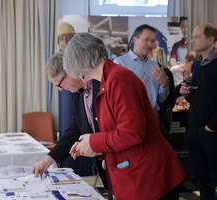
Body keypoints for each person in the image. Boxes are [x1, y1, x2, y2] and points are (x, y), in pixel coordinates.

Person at [65, 32, 186, 200]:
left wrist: (94, 141)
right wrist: (95, 148)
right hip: (137, 176)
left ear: (79, 62)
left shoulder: (119, 79)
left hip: (150, 179)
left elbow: (131, 133)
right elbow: (117, 131)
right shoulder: (108, 81)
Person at [32, 53, 112, 199]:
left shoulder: (101, 84)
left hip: (120, 158)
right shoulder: (77, 93)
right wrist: (48, 160)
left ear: (69, 72)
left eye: (59, 84)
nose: (60, 90)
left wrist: (110, 154)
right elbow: (75, 128)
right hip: (105, 163)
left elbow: (117, 127)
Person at [180, 23, 217, 200]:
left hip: (211, 131)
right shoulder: (197, 65)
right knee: (202, 178)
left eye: (196, 37)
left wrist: (210, 127)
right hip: (195, 129)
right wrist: (187, 93)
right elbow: (197, 97)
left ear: (210, 39)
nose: (192, 40)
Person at [113, 24, 170, 112]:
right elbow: (115, 96)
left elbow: (161, 99)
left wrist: (164, 85)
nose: (150, 44)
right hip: (129, 117)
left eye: (152, 41)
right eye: (146, 40)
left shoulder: (155, 66)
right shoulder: (119, 63)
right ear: (135, 39)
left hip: (152, 117)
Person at [153, 48, 176, 144]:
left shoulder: (152, 72)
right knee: (166, 139)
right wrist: (171, 106)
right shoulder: (168, 72)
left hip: (154, 111)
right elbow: (172, 93)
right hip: (166, 110)